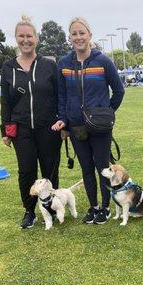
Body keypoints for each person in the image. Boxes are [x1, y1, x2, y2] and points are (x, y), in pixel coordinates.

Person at [52, 17, 124, 225]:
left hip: (100, 127)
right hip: (76, 126)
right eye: (74, 34)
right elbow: (62, 96)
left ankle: (106, 207)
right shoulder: (64, 64)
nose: (78, 37)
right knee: (86, 168)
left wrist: (107, 112)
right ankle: (93, 207)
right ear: (70, 38)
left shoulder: (103, 62)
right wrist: (63, 120)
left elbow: (118, 90)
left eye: (82, 33)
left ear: (90, 35)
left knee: (102, 167)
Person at [0, 15, 62, 229]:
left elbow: (59, 96)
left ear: (37, 38)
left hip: (49, 127)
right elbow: (5, 101)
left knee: (50, 170)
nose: (25, 40)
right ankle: (30, 211)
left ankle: (51, 207)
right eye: (21, 36)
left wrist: (64, 123)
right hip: (22, 129)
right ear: (16, 39)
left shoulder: (48, 65)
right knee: (27, 171)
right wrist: (5, 131)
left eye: (29, 36)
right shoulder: (8, 68)